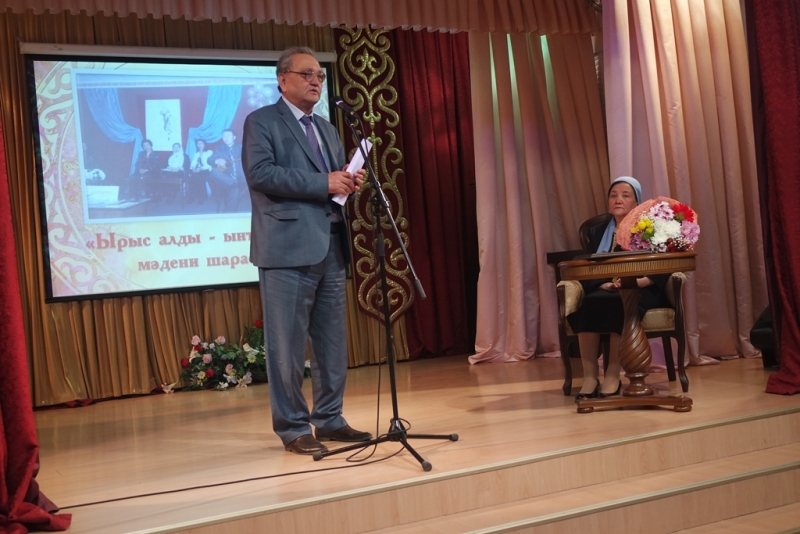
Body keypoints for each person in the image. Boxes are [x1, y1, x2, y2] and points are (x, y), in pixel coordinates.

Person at [242, 46, 370, 455]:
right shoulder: (262, 121)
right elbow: (261, 174)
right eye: (307, 74)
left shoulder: (327, 128)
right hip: (286, 248)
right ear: (283, 80)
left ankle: (330, 419)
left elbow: (330, 179)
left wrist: (347, 180)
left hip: (330, 244)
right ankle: (294, 428)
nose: (316, 81)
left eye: (320, 76)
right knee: (287, 346)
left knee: (332, 343)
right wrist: (324, 183)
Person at [567, 176, 671, 401]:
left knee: (619, 304)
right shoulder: (597, 231)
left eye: (625, 195)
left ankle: (612, 376)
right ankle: (590, 378)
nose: (618, 200)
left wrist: (640, 282)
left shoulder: (651, 227)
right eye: (613, 196)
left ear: (637, 202)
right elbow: (589, 263)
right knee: (589, 303)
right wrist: (601, 283)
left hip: (643, 288)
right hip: (608, 287)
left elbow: (664, 263)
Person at [209, 129, 246, 212]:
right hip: (226, 178)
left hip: (240, 177)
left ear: (234, 137)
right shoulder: (219, 148)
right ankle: (235, 183)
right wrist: (216, 161)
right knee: (213, 172)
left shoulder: (241, 147)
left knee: (235, 190)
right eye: (224, 136)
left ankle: (227, 214)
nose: (226, 138)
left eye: (228, 135)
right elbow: (209, 160)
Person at [188, 138, 213, 203]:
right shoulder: (196, 153)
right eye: (198, 144)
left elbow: (209, 164)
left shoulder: (209, 152)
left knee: (198, 177)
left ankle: (201, 197)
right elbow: (193, 163)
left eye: (201, 143)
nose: (199, 145)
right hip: (197, 170)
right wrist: (193, 168)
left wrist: (200, 168)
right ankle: (192, 197)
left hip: (207, 170)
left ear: (204, 144)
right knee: (191, 178)